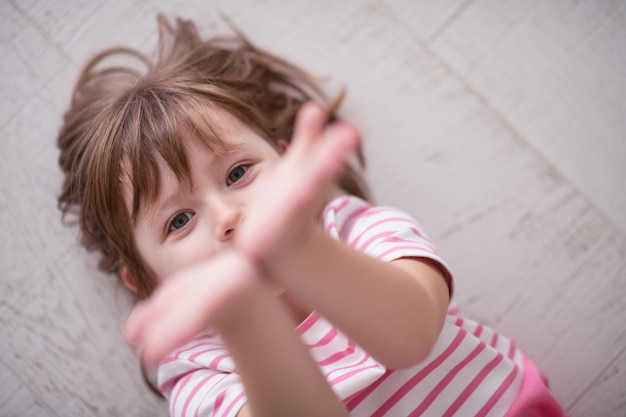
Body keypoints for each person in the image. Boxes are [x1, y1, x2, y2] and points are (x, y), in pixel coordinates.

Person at [57, 14, 567, 417]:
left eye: (237, 174)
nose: (227, 216)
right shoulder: (192, 368)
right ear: (146, 281)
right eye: (178, 221)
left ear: (286, 158)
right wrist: (243, 315)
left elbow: (413, 336)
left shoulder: (351, 227)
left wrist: (297, 247)